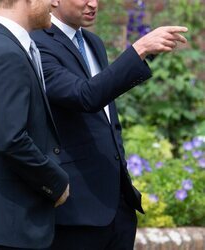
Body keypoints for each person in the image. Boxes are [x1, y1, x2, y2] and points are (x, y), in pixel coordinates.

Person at [30, 1, 188, 249]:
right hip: (76, 213)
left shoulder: (94, 43)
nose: (93, 3)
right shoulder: (37, 43)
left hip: (117, 209)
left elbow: (108, 120)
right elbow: (84, 96)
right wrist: (140, 49)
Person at [0, 0, 70, 249]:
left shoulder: (8, 44)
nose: (55, 3)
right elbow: (10, 139)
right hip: (7, 228)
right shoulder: (5, 52)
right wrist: (56, 182)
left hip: (9, 224)